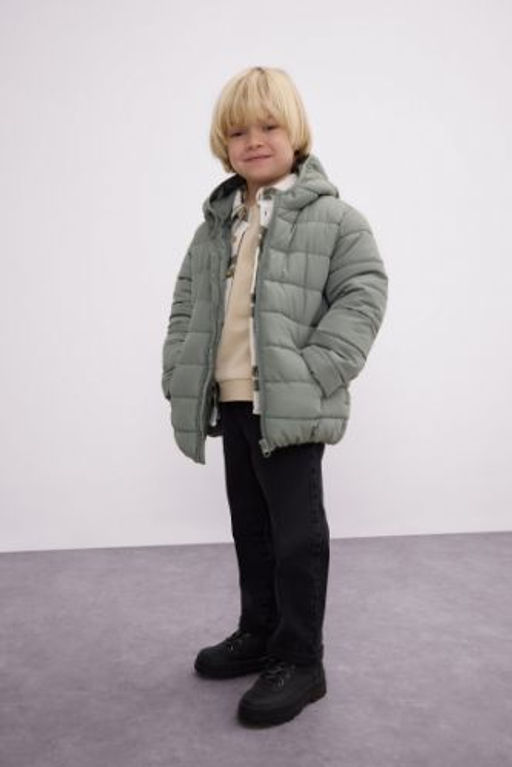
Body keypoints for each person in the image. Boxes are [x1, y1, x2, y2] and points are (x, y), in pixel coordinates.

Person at [161, 66, 388, 727]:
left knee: (296, 537)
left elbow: (363, 295)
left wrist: (317, 372)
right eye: (238, 131)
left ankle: (301, 659)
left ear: (296, 133)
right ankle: (259, 631)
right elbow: (185, 303)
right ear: (223, 144)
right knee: (251, 527)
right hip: (232, 400)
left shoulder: (336, 219)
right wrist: (179, 367)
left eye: (269, 125)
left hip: (289, 406)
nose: (254, 140)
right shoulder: (217, 224)